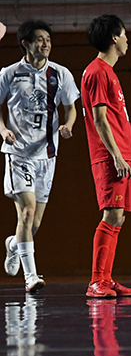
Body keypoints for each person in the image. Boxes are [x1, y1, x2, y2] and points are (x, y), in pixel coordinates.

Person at [0, 20, 80, 293]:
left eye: (48, 39)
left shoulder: (60, 73)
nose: (45, 44)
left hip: (47, 154)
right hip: (19, 153)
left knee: (32, 225)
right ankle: (31, 277)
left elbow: (71, 108)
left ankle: (13, 245)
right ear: (26, 44)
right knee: (27, 211)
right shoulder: (10, 73)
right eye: (39, 39)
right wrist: (3, 130)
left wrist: (69, 125)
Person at [81, 14, 131, 298]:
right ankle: (96, 281)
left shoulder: (108, 72)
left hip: (122, 155)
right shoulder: (97, 71)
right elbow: (100, 119)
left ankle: (105, 278)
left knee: (118, 217)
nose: (128, 39)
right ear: (114, 37)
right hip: (110, 156)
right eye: (125, 34)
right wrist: (115, 155)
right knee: (111, 213)